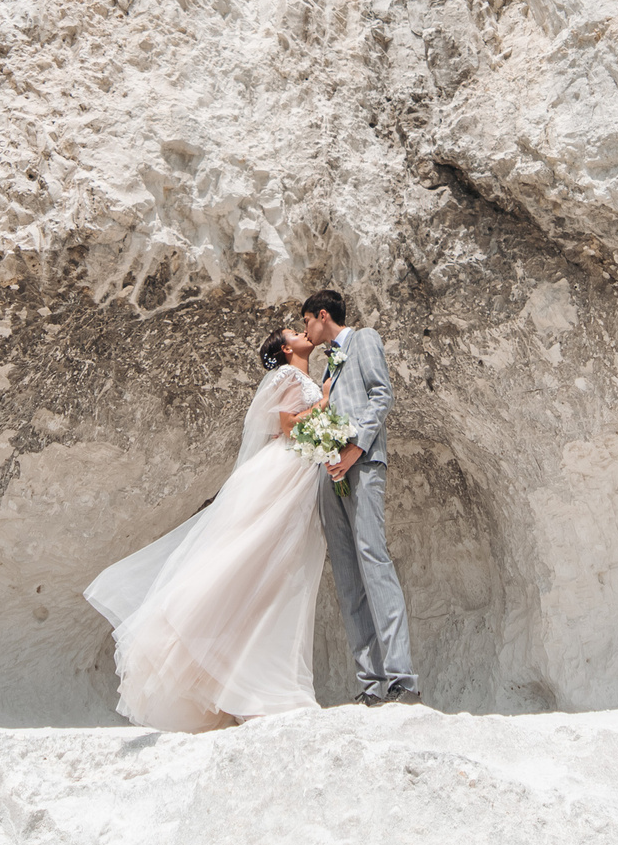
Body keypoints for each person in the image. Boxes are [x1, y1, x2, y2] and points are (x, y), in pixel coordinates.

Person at [83, 325, 332, 732]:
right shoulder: (290, 375)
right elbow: (288, 426)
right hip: (284, 467)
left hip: (299, 470)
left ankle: (255, 683)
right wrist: (324, 405)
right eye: (294, 332)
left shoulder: (304, 376)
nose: (304, 332)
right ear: (286, 350)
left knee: (277, 575)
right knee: (249, 560)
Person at [302, 289, 418, 706]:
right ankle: (370, 684)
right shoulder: (328, 365)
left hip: (364, 463)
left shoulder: (364, 339)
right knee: (346, 573)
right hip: (330, 471)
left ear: (322, 315)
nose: (305, 331)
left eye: (306, 322)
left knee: (373, 557)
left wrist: (355, 449)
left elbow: (381, 395)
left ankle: (402, 679)